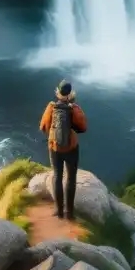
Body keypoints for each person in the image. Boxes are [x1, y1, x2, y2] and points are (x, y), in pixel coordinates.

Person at [39, 79, 87, 220]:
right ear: (70, 93)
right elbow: (83, 128)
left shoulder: (51, 107)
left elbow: (43, 126)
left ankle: (59, 212)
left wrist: (53, 133)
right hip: (71, 147)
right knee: (71, 178)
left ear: (58, 92)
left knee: (57, 176)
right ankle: (69, 214)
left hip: (55, 147)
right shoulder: (75, 108)